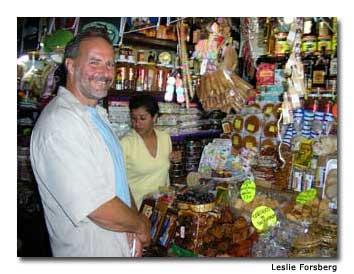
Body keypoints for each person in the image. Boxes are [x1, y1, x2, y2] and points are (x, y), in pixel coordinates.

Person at [30, 28, 150, 257]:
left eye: (110, 64)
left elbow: (118, 181)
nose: (105, 72)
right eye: (95, 62)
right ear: (71, 66)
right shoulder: (61, 124)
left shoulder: (97, 115)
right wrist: (140, 225)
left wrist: (132, 228)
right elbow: (98, 207)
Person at [120, 95, 172, 209]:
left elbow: (164, 175)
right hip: (135, 209)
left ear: (154, 117)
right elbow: (119, 182)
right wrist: (134, 212)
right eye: (134, 118)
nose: (137, 124)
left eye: (142, 118)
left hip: (161, 207)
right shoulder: (125, 143)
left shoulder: (165, 138)